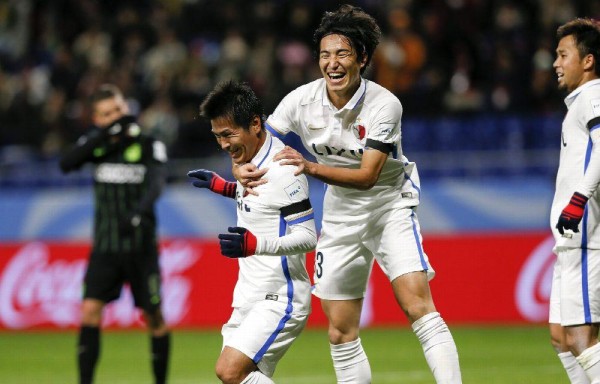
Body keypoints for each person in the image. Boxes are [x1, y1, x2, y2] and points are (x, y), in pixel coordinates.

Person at [234, 4, 462, 383]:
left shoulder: (385, 105)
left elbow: (369, 175)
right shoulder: (300, 101)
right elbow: (260, 143)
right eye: (325, 54)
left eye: (341, 53)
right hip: (341, 213)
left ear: (362, 58)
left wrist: (308, 166)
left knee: (417, 306)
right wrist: (239, 164)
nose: (332, 63)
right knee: (340, 331)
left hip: (390, 204)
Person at [187, 80, 317, 384]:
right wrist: (223, 187)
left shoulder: (284, 170)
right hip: (248, 293)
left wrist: (255, 244)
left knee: (229, 371)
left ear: (255, 124)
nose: (222, 145)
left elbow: (308, 237)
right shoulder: (251, 162)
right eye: (217, 137)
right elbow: (263, 201)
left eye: (228, 135)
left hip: (280, 296)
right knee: (244, 378)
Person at [59, 84, 170, 384]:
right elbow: (66, 163)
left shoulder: (148, 143)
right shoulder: (96, 146)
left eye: (119, 110)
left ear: (127, 108)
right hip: (105, 246)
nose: (116, 117)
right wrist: (105, 135)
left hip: (141, 245)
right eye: (107, 114)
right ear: (96, 119)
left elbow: (158, 183)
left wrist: (136, 214)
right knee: (90, 311)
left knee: (154, 317)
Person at [549, 18, 600, 384]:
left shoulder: (594, 96)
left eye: (563, 54)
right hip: (570, 238)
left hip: (584, 235)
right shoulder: (579, 102)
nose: (555, 63)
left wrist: (579, 199)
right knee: (562, 337)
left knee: (582, 339)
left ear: (588, 61)